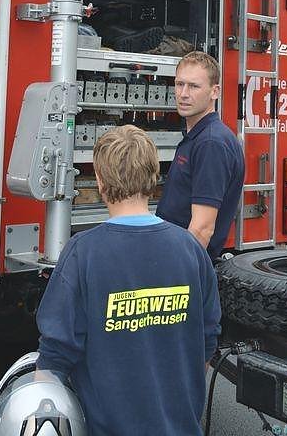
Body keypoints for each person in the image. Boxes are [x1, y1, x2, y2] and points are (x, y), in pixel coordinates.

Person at [36, 125, 221, 436]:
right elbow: (207, 341)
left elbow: (54, 359)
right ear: (154, 176)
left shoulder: (83, 253)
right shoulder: (191, 250)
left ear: (100, 180)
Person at [157, 51, 245, 261]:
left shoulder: (211, 143)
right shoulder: (198, 136)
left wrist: (176, 274)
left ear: (215, 92)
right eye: (179, 84)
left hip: (182, 264)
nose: (183, 94)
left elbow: (202, 229)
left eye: (194, 86)